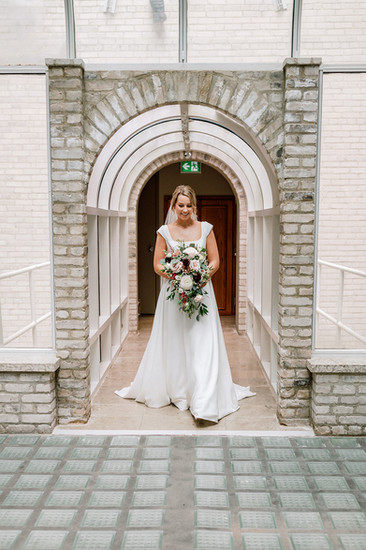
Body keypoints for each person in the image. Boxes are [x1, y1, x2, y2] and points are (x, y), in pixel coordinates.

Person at [115, 185, 255, 423]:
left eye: (189, 205)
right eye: (181, 205)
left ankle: (204, 397)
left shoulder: (206, 228)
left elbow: (215, 261)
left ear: (194, 206)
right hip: (174, 295)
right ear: (173, 206)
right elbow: (158, 265)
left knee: (203, 341)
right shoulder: (164, 232)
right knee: (176, 341)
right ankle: (179, 388)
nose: (185, 209)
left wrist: (199, 276)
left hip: (201, 292)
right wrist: (178, 276)